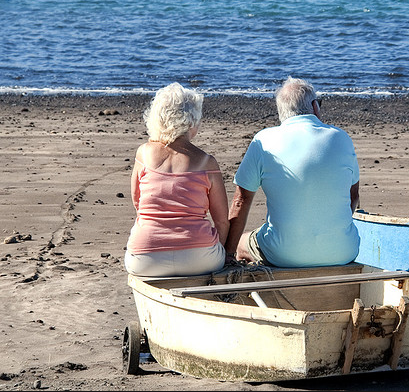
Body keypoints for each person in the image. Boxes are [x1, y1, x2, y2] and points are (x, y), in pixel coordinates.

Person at [226, 76, 360, 267]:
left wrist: (228, 253)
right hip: (343, 251)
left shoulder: (264, 139)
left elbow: (241, 200)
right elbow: (353, 197)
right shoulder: (341, 137)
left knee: (241, 244)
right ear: (315, 106)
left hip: (284, 255)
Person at [124, 82, 230, 277]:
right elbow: (222, 222)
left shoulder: (144, 153)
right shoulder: (207, 162)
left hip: (145, 258)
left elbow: (138, 202)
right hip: (199, 258)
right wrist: (219, 251)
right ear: (192, 122)